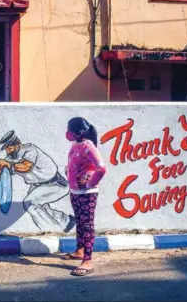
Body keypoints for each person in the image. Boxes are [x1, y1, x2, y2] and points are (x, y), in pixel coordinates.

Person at [0, 131, 75, 232]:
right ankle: (66, 222)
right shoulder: (10, 158)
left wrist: (8, 165)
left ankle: (51, 230)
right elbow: (0, 173)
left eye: (9, 148)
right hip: (38, 185)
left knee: (30, 204)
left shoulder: (29, 149)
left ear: (16, 145)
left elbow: (26, 167)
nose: (8, 152)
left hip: (55, 183)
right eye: (6, 149)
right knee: (42, 207)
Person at [62, 117, 106, 277]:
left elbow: (101, 168)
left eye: (69, 129)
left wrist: (89, 183)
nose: (67, 133)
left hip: (87, 193)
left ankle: (88, 260)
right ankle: (80, 251)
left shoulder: (89, 146)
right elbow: (78, 163)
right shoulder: (76, 145)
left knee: (87, 224)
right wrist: (69, 171)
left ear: (78, 132)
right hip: (75, 191)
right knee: (80, 222)